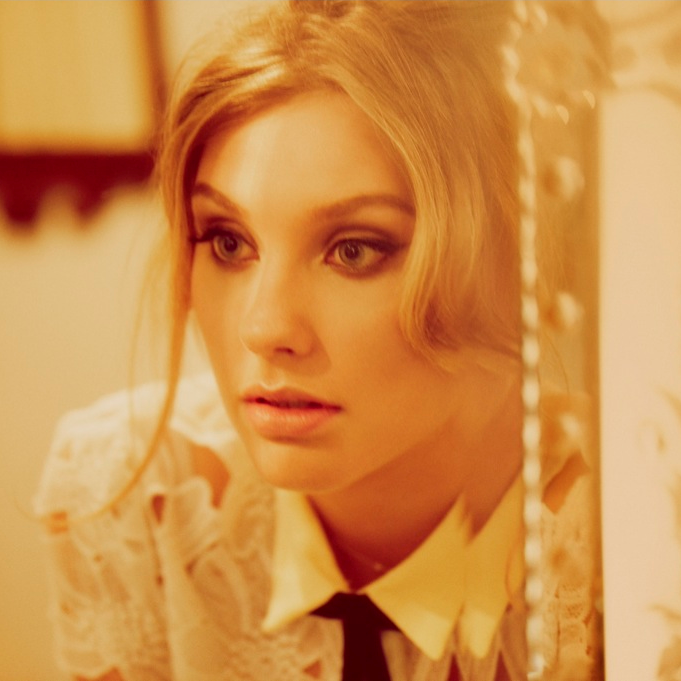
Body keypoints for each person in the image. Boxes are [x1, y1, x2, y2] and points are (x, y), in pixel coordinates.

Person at [34, 2, 602, 680]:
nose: (264, 328)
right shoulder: (134, 500)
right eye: (228, 241)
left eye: (354, 250)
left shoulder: (625, 527)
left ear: (519, 260)